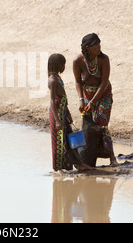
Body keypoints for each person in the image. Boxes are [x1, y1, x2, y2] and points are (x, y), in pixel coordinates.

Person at [73, 34, 118, 166]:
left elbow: (104, 82)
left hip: (103, 94)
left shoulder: (103, 59)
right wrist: (81, 100)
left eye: (99, 44)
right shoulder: (78, 61)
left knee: (101, 122)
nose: (99, 47)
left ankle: (111, 156)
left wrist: (92, 102)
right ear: (87, 48)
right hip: (87, 95)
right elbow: (77, 82)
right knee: (87, 125)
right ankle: (88, 156)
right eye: (96, 45)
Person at [48, 53, 94, 172]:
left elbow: (62, 97)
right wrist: (57, 120)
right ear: (57, 65)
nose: (64, 67)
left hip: (62, 111)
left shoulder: (57, 77)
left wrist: (67, 114)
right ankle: (58, 169)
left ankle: (78, 164)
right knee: (59, 142)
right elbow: (52, 101)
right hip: (56, 113)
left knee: (68, 138)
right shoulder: (52, 80)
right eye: (63, 65)